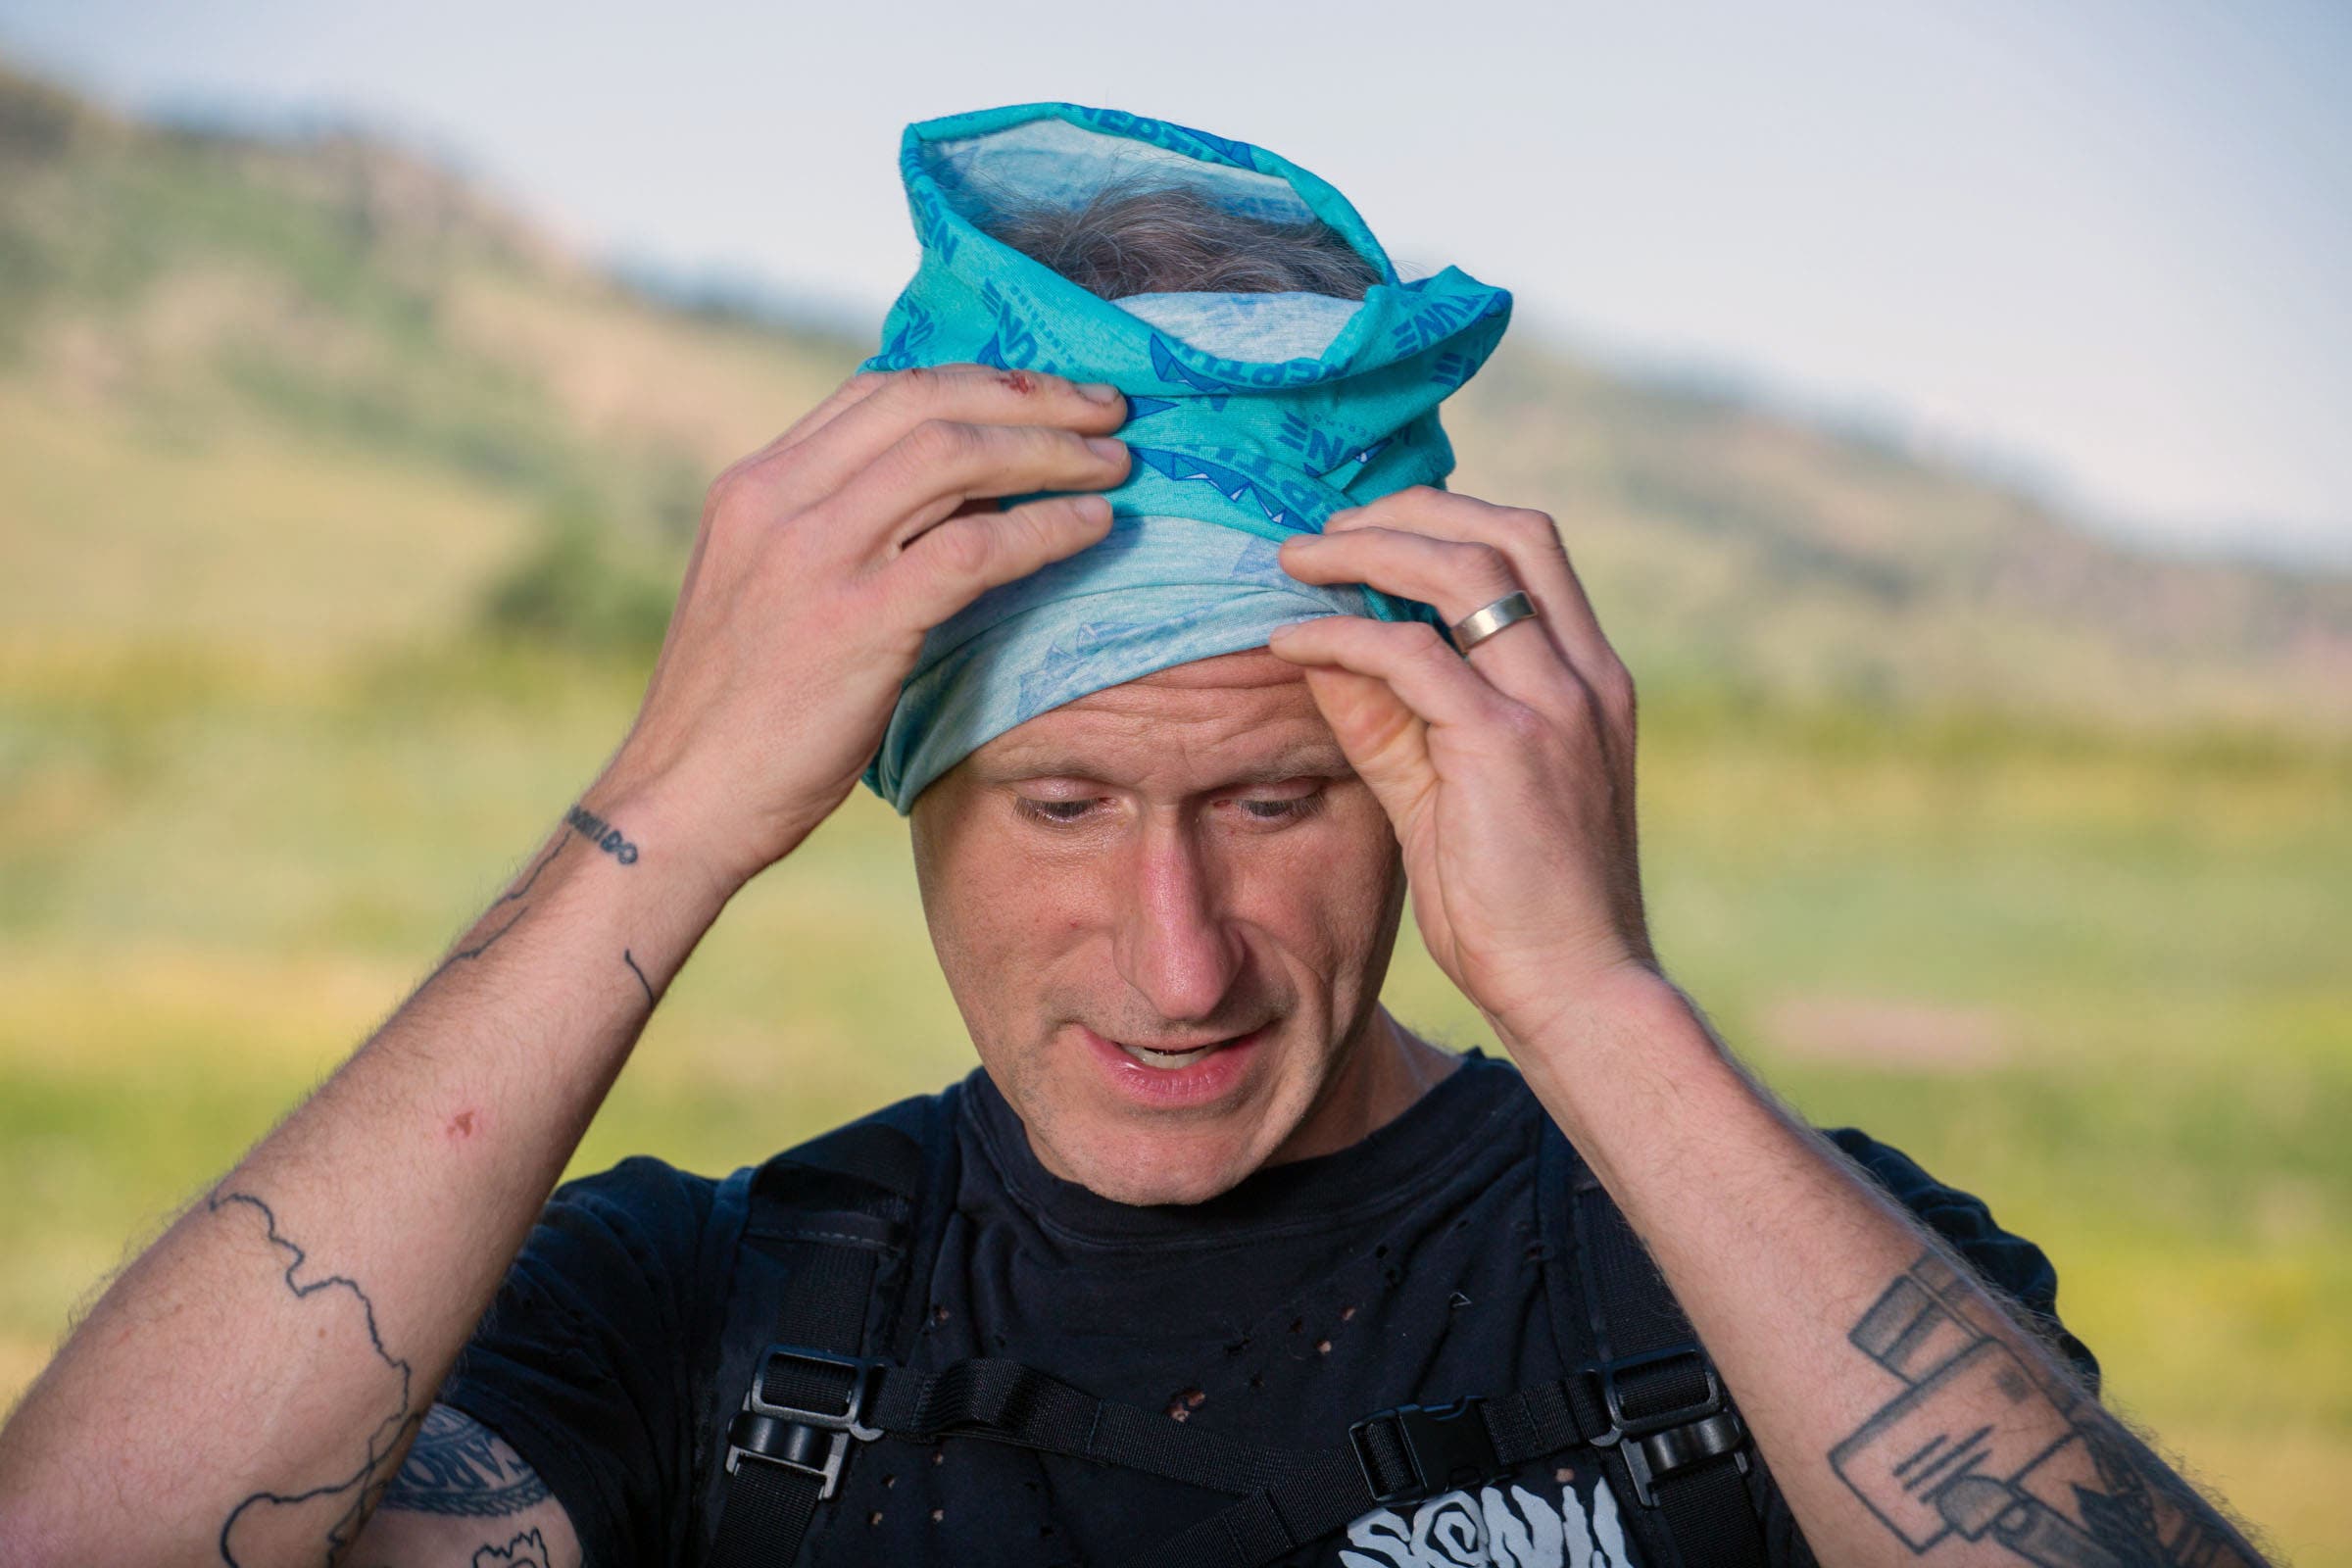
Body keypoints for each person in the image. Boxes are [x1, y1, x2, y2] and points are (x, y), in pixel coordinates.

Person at [0, 104, 2270, 1568]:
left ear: (1436, 768)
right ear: (893, 782)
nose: (1178, 960)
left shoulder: (1761, 1274)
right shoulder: (696, 1323)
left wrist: (1595, 990)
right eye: (1064, 800)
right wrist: (666, 813)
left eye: (1278, 796)